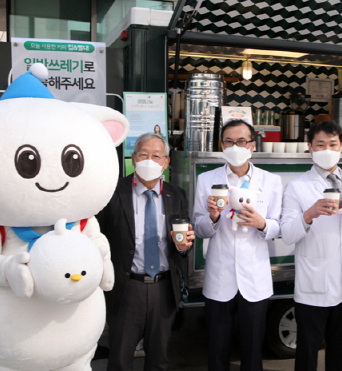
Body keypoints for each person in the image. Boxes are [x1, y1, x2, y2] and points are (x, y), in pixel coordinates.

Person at [97, 132, 195, 371]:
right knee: (120, 358)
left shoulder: (176, 195)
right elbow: (97, 236)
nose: (149, 161)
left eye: (156, 156)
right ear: (133, 158)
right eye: (143, 155)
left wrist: (184, 248)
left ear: (166, 162)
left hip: (164, 288)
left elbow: (182, 241)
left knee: (159, 359)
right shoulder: (112, 192)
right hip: (127, 287)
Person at [281, 120, 342, 371]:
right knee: (307, 351)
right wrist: (308, 214)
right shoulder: (297, 187)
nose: (327, 149)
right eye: (320, 144)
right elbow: (287, 233)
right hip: (314, 284)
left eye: (333, 144)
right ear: (310, 148)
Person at [193, 119, 282, 371]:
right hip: (220, 276)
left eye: (241, 141)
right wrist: (211, 218)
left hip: (255, 278)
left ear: (252, 145)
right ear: (222, 146)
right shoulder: (207, 180)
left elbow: (278, 226)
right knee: (217, 348)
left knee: (253, 350)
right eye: (229, 141)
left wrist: (261, 223)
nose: (236, 146)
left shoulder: (270, 181)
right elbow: (198, 228)